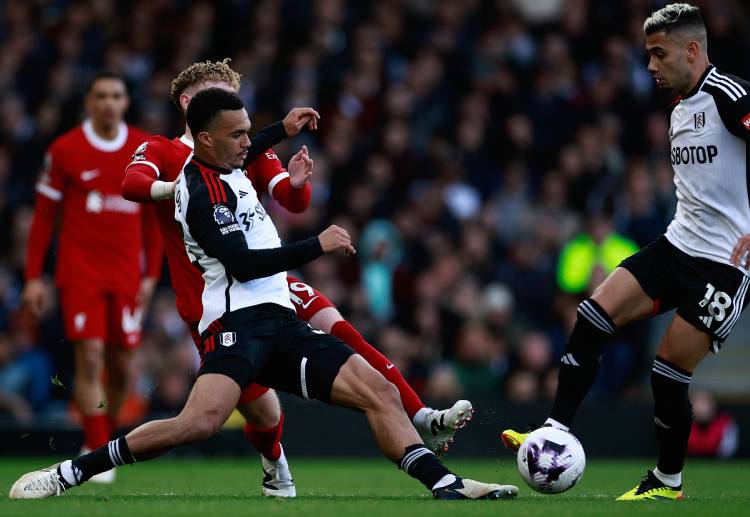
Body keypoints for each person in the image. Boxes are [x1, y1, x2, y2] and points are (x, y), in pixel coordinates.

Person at [9, 89, 518, 501]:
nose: (248, 144)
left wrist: (284, 129)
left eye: (250, 132)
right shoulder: (198, 190)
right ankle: (74, 471)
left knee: (378, 393)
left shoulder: (228, 162)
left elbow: (248, 151)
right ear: (204, 139)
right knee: (197, 424)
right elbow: (243, 263)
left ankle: (447, 485)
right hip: (236, 327)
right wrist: (314, 245)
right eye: (238, 136)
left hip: (280, 320)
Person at [122, 59, 473, 462]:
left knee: (338, 326)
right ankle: (274, 460)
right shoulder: (163, 150)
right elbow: (131, 184)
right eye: (215, 94)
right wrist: (180, 187)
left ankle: (422, 415)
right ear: (187, 102)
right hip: (212, 296)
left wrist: (298, 182)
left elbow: (291, 199)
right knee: (262, 414)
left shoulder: (242, 148)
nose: (228, 105)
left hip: (266, 278)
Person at [502, 3, 750, 501]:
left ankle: (667, 481)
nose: (652, 67)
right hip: (677, 244)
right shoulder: (681, 108)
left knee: (667, 373)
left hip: (723, 265)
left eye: (659, 55)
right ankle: (555, 431)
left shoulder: (729, 97)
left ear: (692, 50)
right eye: (648, 56)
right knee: (592, 315)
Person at [22, 72, 162, 483]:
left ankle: (101, 440)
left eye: (116, 95)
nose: (108, 103)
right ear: (88, 102)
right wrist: (33, 276)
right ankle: (98, 450)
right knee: (90, 357)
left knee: (121, 366)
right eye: (100, 96)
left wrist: (152, 274)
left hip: (127, 275)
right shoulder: (65, 149)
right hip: (79, 271)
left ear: (125, 102)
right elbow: (43, 217)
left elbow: (155, 220)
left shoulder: (143, 148)